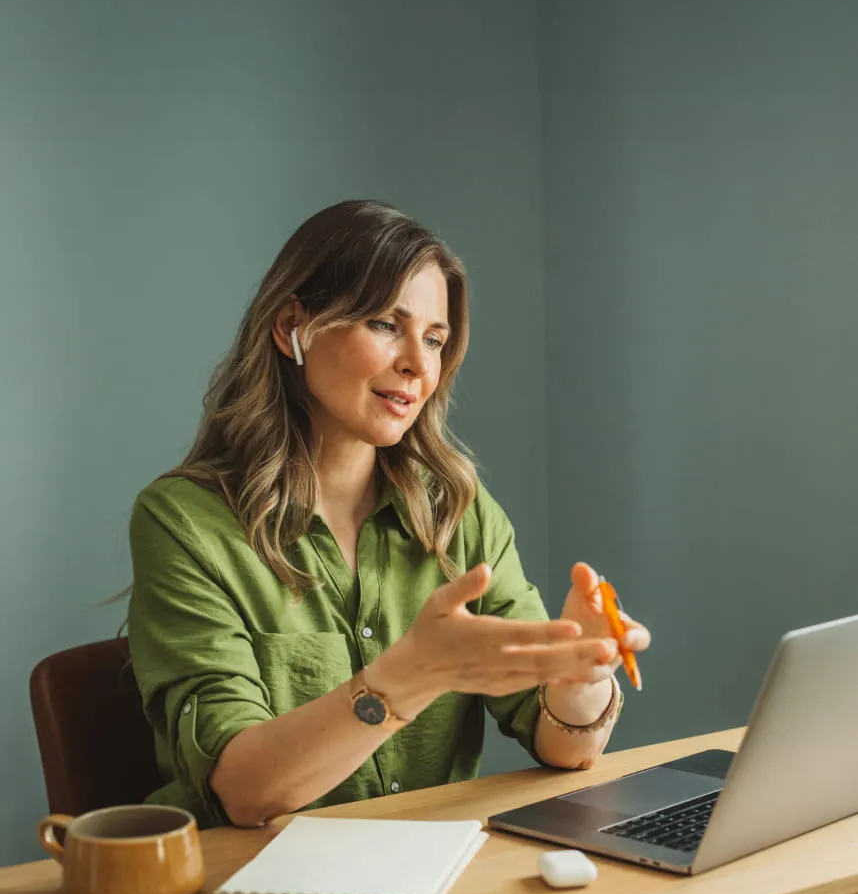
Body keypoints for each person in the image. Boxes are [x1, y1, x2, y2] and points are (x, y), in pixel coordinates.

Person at [127, 199, 651, 829]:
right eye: (383, 324)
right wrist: (406, 678)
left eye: (435, 338)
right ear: (293, 324)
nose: (419, 364)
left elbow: (568, 747)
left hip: (431, 882)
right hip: (248, 890)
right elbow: (246, 792)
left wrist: (581, 668)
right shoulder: (183, 523)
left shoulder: (458, 508)